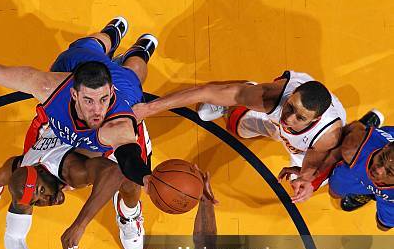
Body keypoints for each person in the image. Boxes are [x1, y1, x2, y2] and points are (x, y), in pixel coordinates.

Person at [0, 17, 158, 249]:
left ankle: (129, 211)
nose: (97, 110)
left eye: (103, 100)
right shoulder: (48, 86)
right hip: (69, 100)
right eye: (89, 101)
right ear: (74, 94)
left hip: (110, 124)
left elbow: (125, 165)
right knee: (89, 47)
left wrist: (146, 179)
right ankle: (111, 34)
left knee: (134, 74)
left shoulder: (117, 124)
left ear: (110, 93)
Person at [0, 115, 153, 249]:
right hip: (55, 130)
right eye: (37, 202)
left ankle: (129, 212)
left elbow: (114, 172)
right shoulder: (26, 188)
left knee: (131, 177)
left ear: (44, 172)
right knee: (10, 171)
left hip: (111, 123)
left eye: (42, 191)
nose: (46, 201)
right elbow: (13, 238)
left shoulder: (73, 172)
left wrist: (79, 225)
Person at [134, 71, 346, 203]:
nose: (289, 118)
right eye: (290, 107)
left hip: (309, 144)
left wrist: (308, 179)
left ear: (315, 119)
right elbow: (206, 91)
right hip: (282, 119)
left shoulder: (326, 137)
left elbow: (319, 165)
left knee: (299, 183)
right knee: (237, 125)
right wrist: (150, 107)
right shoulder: (274, 97)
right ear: (291, 96)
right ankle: (248, 86)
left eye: (299, 117)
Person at [288, 109, 392, 231]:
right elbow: (346, 137)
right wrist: (312, 176)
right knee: (334, 192)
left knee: (383, 226)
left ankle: (373, 193)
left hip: (389, 195)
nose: (378, 170)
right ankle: (366, 128)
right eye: (381, 158)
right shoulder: (356, 147)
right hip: (363, 151)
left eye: (390, 172)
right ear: (387, 146)